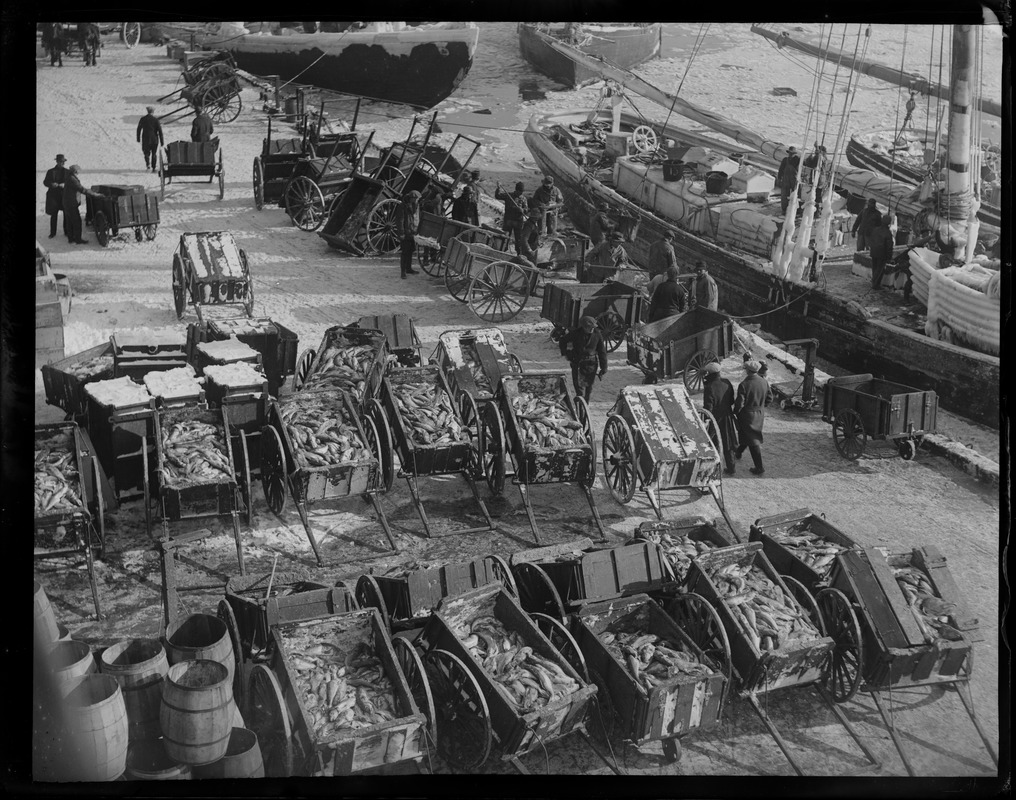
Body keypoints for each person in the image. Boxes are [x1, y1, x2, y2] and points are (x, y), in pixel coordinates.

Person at [559, 315, 607, 402]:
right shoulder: (576, 333)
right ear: (584, 327)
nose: (592, 329)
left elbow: (602, 351)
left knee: (589, 388)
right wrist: (565, 353)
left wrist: (604, 368)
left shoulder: (597, 334)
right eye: (589, 327)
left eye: (593, 327)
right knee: (579, 389)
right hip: (578, 363)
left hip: (591, 365)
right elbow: (562, 341)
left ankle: (585, 406)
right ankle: (579, 405)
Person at [734, 360, 770, 475]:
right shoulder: (764, 381)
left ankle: (759, 467)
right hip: (759, 413)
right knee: (749, 435)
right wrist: (761, 407)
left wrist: (735, 412)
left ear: (748, 371)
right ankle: (738, 452)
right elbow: (770, 398)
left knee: (753, 440)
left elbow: (740, 404)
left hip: (747, 415)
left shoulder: (744, 384)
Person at [702, 362, 738, 475]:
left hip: (715, 418)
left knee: (714, 443)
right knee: (728, 442)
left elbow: (708, 407)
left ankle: (714, 470)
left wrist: (705, 419)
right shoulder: (726, 382)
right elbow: (732, 400)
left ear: (710, 373)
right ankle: (731, 468)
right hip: (727, 416)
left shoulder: (709, 387)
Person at [63, 165, 101, 245]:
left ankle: (71, 238)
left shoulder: (69, 177)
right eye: (78, 171)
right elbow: (81, 189)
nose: (79, 172)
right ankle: (78, 239)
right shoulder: (72, 179)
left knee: (69, 221)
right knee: (77, 221)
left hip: (67, 203)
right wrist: (93, 194)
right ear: (75, 171)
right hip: (71, 203)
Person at [495, 181, 528, 254]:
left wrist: (522, 210)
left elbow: (526, 209)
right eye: (520, 191)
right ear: (516, 190)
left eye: (522, 191)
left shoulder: (523, 199)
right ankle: (502, 251)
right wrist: (498, 188)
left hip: (518, 222)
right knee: (505, 237)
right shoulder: (508, 195)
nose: (521, 193)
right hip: (508, 221)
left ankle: (519, 254)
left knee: (518, 239)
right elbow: (497, 196)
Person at [43, 155, 70, 239]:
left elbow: (71, 182)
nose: (61, 163)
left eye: (63, 162)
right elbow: (45, 182)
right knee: (54, 215)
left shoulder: (67, 172)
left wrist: (64, 185)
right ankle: (53, 233)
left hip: (64, 196)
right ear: (57, 162)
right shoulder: (50, 171)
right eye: (60, 162)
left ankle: (66, 231)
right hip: (53, 196)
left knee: (66, 213)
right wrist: (51, 184)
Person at [868, 213, 896, 290]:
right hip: (882, 254)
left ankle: (875, 282)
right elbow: (889, 246)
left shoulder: (876, 230)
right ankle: (875, 284)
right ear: (889, 223)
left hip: (874, 252)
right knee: (879, 270)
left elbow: (871, 240)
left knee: (875, 268)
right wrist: (889, 257)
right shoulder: (888, 233)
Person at [398, 190, 422, 279]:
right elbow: (400, 220)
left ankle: (409, 268)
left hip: (413, 231)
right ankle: (403, 272)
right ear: (412, 198)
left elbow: (417, 217)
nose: (417, 201)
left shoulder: (416, 205)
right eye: (416, 199)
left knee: (411, 250)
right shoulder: (403, 206)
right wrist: (401, 233)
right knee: (405, 252)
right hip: (406, 232)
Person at [137, 106, 165, 173]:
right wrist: (162, 141)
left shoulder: (143, 119)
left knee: (146, 153)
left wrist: (138, 138)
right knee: (154, 153)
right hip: (154, 139)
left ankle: (148, 165)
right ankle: (154, 167)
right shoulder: (156, 120)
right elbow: (160, 131)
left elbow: (139, 129)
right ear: (153, 112)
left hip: (145, 139)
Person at [777, 145, 800, 215]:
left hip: (794, 179)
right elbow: (781, 169)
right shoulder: (785, 160)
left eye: (792, 153)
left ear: (794, 153)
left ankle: (796, 209)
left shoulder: (797, 159)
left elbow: (802, 164)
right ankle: (784, 209)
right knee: (784, 195)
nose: (790, 154)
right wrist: (779, 178)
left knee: (796, 194)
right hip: (786, 179)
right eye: (789, 153)